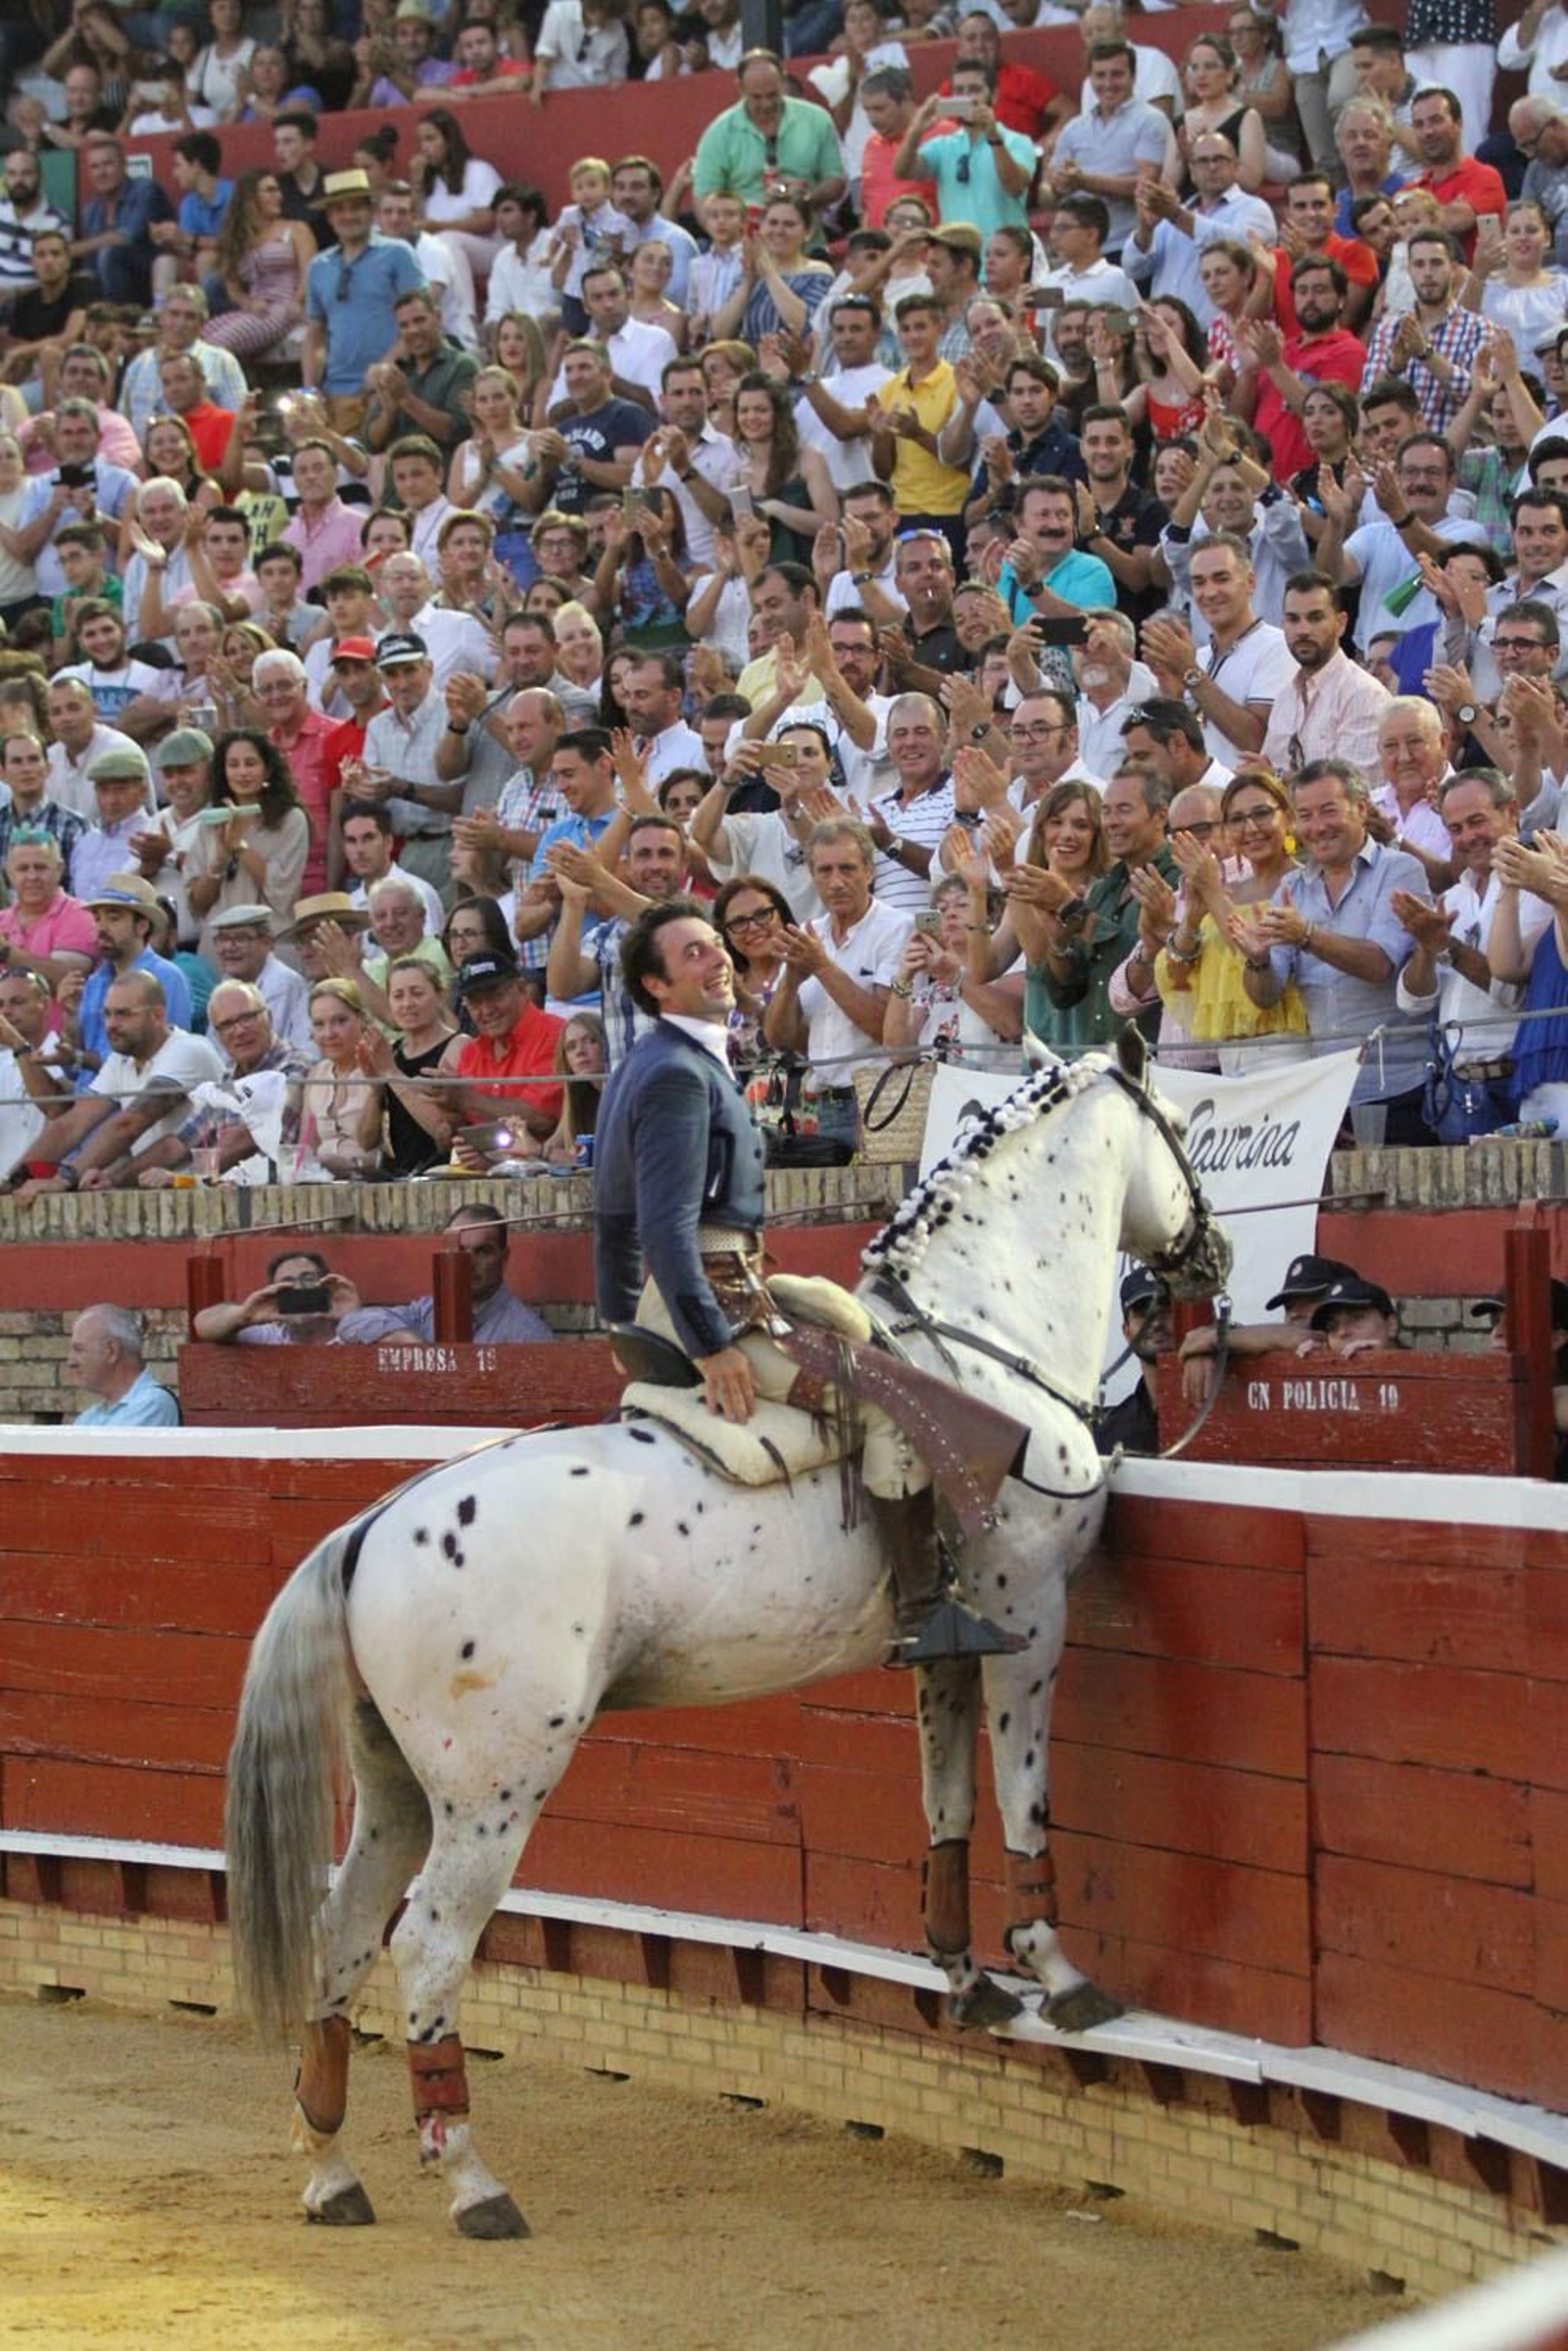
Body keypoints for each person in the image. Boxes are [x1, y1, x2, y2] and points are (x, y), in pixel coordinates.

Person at [594, 892, 1019, 1661]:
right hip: (710, 1302)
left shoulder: (654, 1062)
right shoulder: (676, 1074)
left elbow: (615, 1219)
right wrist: (709, 1342)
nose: (717, 956)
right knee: (892, 1402)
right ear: (655, 986)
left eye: (713, 945)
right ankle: (925, 1610)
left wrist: (618, 1321)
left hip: (711, 1291)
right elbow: (661, 1226)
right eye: (691, 953)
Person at [1236, 759, 1428, 1143]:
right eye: (1304, 815)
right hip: (1328, 1093)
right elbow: (1266, 995)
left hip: (1401, 1086)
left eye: (1328, 810)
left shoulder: (1400, 870)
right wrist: (1256, 959)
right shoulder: (1293, 887)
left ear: (1360, 808)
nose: (1317, 827)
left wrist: (1307, 935)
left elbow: (1378, 964)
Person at [1395, 770, 1552, 1141]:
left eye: (1477, 821)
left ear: (1511, 812)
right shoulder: (1452, 898)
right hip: (1458, 1089)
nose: (1467, 837)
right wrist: (1425, 944)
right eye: (1455, 828)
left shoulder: (1541, 887)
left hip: (1522, 1085)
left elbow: (1515, 994)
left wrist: (1447, 947)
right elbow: (1414, 1002)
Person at [761, 816, 913, 1146]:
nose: (837, 882)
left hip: (883, 1101)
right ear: (811, 876)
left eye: (847, 869)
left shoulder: (898, 929)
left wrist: (821, 967)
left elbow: (886, 1030)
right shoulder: (807, 935)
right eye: (825, 871)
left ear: (869, 872)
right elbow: (779, 1039)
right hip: (824, 1107)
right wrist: (789, 982)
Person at [340, 1203, 556, 1344]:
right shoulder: (428, 1311)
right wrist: (406, 1339)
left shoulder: (527, 1335)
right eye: (458, 1251)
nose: (468, 1262)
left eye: (482, 1251)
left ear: (504, 1258)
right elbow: (352, 1323)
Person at [1094, 1268, 1171, 1456]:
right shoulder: (1108, 1433)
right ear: (1126, 1331)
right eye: (1143, 1312)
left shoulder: (1220, 1413)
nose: (1155, 1322)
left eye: (1166, 1309)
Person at [68, 1304, 179, 1426]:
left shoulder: (153, 1404)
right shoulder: (89, 1417)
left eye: (78, 1349)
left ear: (112, 1350)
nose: (70, 1362)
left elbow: (113, 1445)